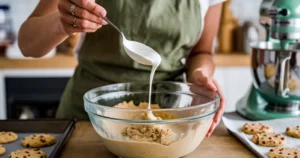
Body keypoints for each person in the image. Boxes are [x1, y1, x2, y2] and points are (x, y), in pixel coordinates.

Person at [18, 0, 226, 137]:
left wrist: (200, 75)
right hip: (89, 120)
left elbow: (201, 53)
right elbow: (27, 43)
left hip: (166, 120)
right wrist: (62, 23)